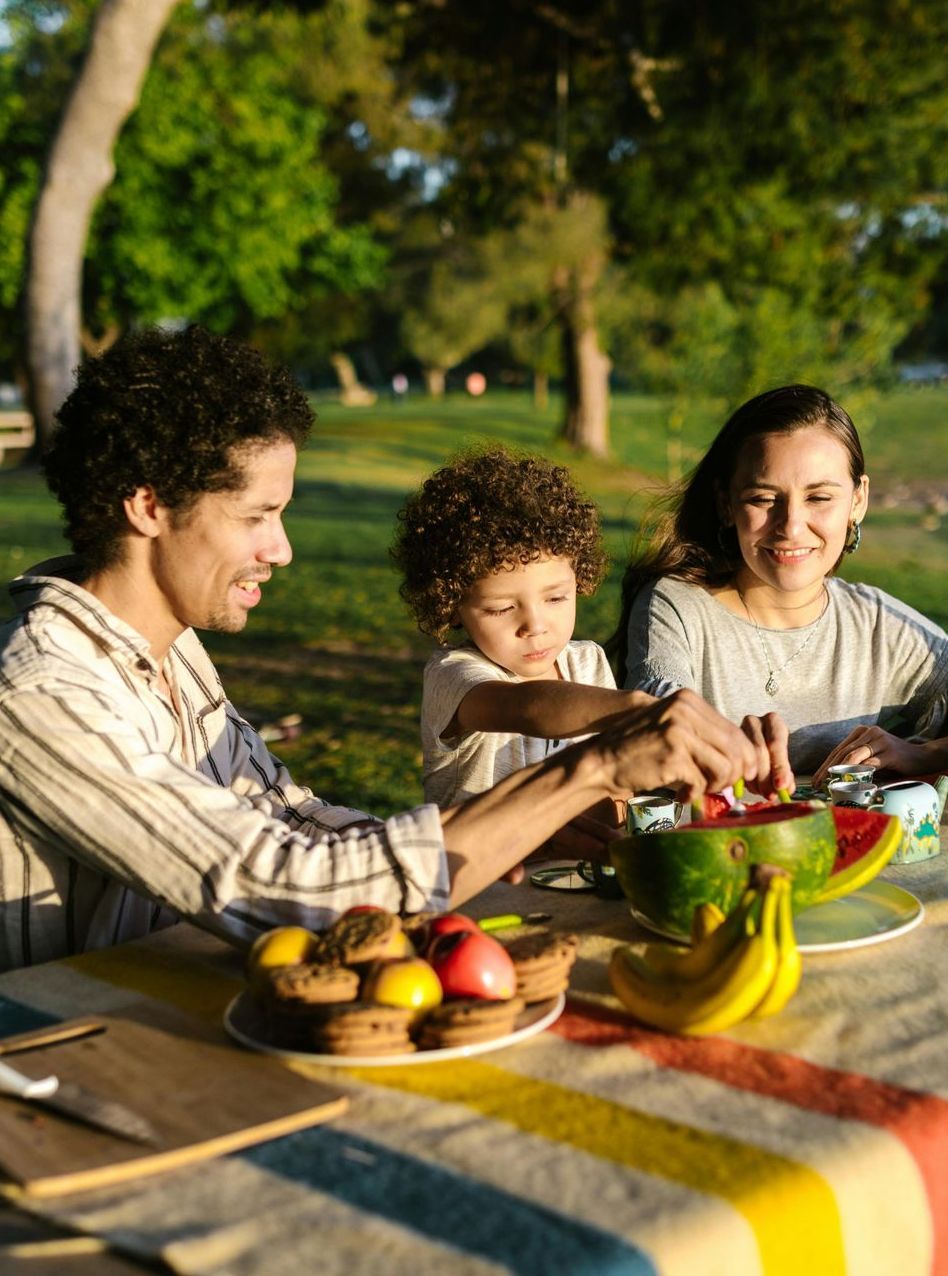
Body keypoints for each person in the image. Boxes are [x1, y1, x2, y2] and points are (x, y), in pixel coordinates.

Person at [0, 327, 767, 971]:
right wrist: (592, 764)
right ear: (150, 506)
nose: (283, 549)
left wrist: (503, 828)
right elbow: (284, 889)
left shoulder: (166, 650)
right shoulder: (39, 694)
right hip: (65, 1063)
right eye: (258, 516)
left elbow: (290, 818)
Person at [391, 445, 788, 857]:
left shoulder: (586, 662)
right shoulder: (453, 676)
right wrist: (640, 709)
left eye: (557, 598)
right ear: (451, 603)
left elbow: (618, 789)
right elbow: (527, 706)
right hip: (475, 887)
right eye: (502, 608)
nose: (535, 625)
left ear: (578, 579)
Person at [609, 384, 948, 779]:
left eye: (819, 498)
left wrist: (922, 755)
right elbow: (655, 730)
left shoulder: (878, 627)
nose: (791, 526)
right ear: (725, 504)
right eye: (763, 499)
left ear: (858, 500)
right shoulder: (677, 608)